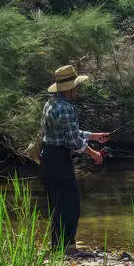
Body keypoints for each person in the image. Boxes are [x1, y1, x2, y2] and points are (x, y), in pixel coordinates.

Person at [40, 65, 110, 253]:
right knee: (70, 203)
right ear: (70, 87)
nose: (77, 89)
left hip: (48, 157)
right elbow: (72, 140)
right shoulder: (66, 108)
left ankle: (57, 245)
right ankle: (68, 247)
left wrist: (94, 135)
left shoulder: (51, 103)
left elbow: (67, 132)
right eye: (76, 86)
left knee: (57, 202)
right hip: (60, 159)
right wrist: (93, 153)